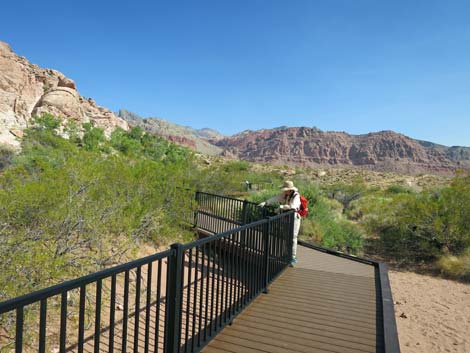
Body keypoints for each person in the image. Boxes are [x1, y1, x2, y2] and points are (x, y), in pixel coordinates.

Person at [258, 180, 301, 265]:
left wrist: (282, 207)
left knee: (292, 237)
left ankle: (292, 257)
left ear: (290, 189)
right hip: (286, 218)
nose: (284, 191)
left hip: (294, 219)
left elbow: (293, 207)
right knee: (286, 237)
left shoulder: (296, 196)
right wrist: (266, 202)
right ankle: (286, 254)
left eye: (285, 189)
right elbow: (276, 198)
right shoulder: (286, 195)